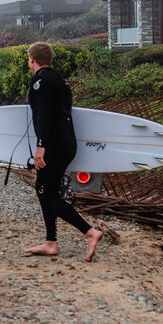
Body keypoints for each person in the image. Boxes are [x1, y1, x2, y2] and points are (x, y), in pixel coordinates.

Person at [23, 42, 104, 262]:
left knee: (46, 193)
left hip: (53, 144)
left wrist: (41, 147)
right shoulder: (60, 80)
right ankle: (50, 242)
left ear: (32, 59)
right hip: (67, 143)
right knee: (45, 190)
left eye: (29, 59)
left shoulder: (41, 81)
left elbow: (45, 116)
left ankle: (89, 231)